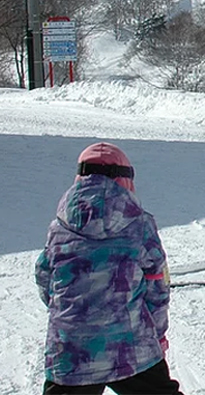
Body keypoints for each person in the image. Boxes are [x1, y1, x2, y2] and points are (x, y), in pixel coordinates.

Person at [36, 143, 184, 395]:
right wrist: (157, 335)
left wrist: (72, 314)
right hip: (130, 347)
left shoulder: (60, 226)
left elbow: (45, 276)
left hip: (71, 352)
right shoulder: (140, 224)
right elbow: (157, 285)